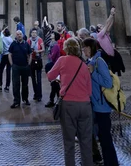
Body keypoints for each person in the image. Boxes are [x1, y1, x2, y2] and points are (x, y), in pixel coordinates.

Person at [47, 38, 93, 166]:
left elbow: (50, 76)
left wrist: (61, 78)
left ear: (66, 49)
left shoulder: (62, 60)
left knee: (69, 143)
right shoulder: (83, 65)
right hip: (85, 105)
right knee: (86, 142)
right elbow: (89, 91)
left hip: (68, 105)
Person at [83, 38, 119, 166]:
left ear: (90, 47)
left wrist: (92, 73)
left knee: (106, 139)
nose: (83, 51)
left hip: (102, 106)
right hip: (96, 105)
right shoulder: (92, 61)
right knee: (102, 138)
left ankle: (112, 163)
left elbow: (108, 83)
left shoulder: (99, 61)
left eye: (84, 48)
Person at [8, 29, 32, 108]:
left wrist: (29, 64)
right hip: (16, 67)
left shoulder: (26, 44)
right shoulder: (13, 44)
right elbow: (9, 54)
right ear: (16, 36)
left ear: (22, 35)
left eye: (20, 34)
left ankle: (25, 99)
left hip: (25, 66)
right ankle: (16, 101)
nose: (19, 35)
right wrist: (12, 64)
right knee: (16, 84)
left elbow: (30, 54)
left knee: (25, 84)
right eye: (17, 34)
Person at [28, 28, 44, 102]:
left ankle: (39, 95)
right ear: (31, 33)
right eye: (32, 32)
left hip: (38, 60)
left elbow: (43, 49)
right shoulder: (29, 40)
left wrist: (38, 51)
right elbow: (27, 50)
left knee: (39, 79)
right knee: (33, 79)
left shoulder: (40, 40)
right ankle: (35, 94)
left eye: (35, 32)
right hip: (32, 60)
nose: (34, 34)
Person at [45, 31, 61, 107]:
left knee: (55, 84)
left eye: (52, 34)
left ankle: (55, 100)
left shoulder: (55, 46)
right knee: (54, 84)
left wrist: (49, 54)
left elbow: (52, 56)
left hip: (55, 66)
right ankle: (56, 99)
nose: (51, 35)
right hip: (52, 66)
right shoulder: (51, 44)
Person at [0, 27, 13, 92]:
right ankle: (7, 86)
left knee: (0, 69)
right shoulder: (11, 39)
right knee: (8, 71)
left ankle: (0, 85)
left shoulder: (3, 39)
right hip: (10, 55)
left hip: (4, 55)